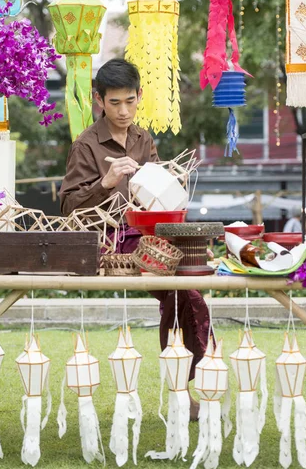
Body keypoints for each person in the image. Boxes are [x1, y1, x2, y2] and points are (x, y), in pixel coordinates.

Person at [59, 58, 210, 420]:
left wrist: (170, 185)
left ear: (140, 96)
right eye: (114, 103)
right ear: (98, 100)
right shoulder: (86, 145)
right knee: (182, 293)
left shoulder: (144, 139)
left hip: (150, 236)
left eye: (130, 101)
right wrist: (106, 182)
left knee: (189, 294)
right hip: (112, 242)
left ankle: (186, 386)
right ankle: (183, 390)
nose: (123, 110)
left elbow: (158, 194)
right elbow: (68, 208)